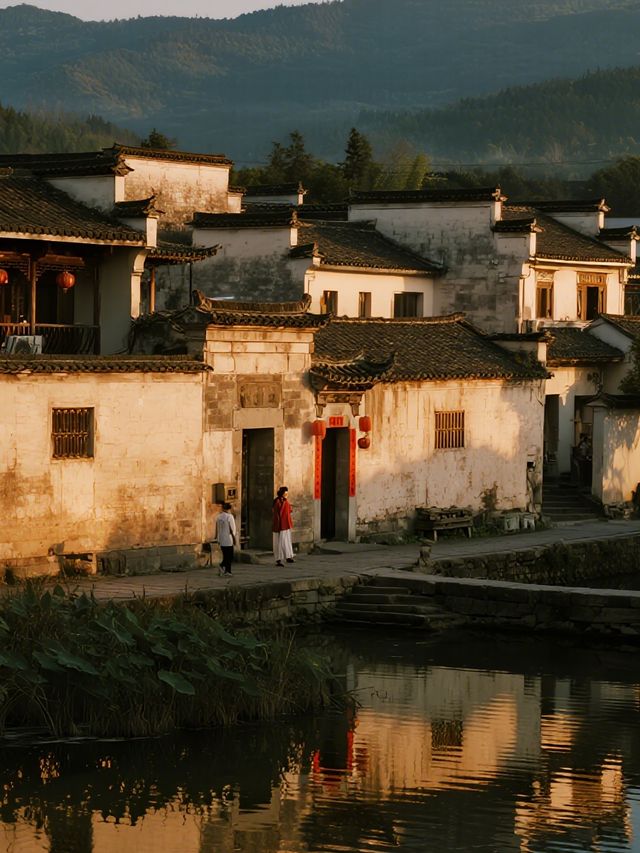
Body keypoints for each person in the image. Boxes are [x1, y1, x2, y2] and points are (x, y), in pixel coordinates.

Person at [272, 486, 294, 566]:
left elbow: (289, 510)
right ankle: (279, 559)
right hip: (280, 525)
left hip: (286, 524)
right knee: (279, 542)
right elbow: (276, 514)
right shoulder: (277, 501)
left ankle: (288, 556)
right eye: (285, 493)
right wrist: (278, 525)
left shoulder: (285, 501)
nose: (286, 495)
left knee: (287, 541)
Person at [215, 502, 237, 576]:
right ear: (229, 509)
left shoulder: (218, 517)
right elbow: (232, 529)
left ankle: (227, 571)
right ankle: (223, 567)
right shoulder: (229, 517)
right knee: (230, 556)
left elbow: (217, 528)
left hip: (221, 538)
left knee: (225, 555)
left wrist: (218, 538)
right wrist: (234, 538)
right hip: (228, 538)